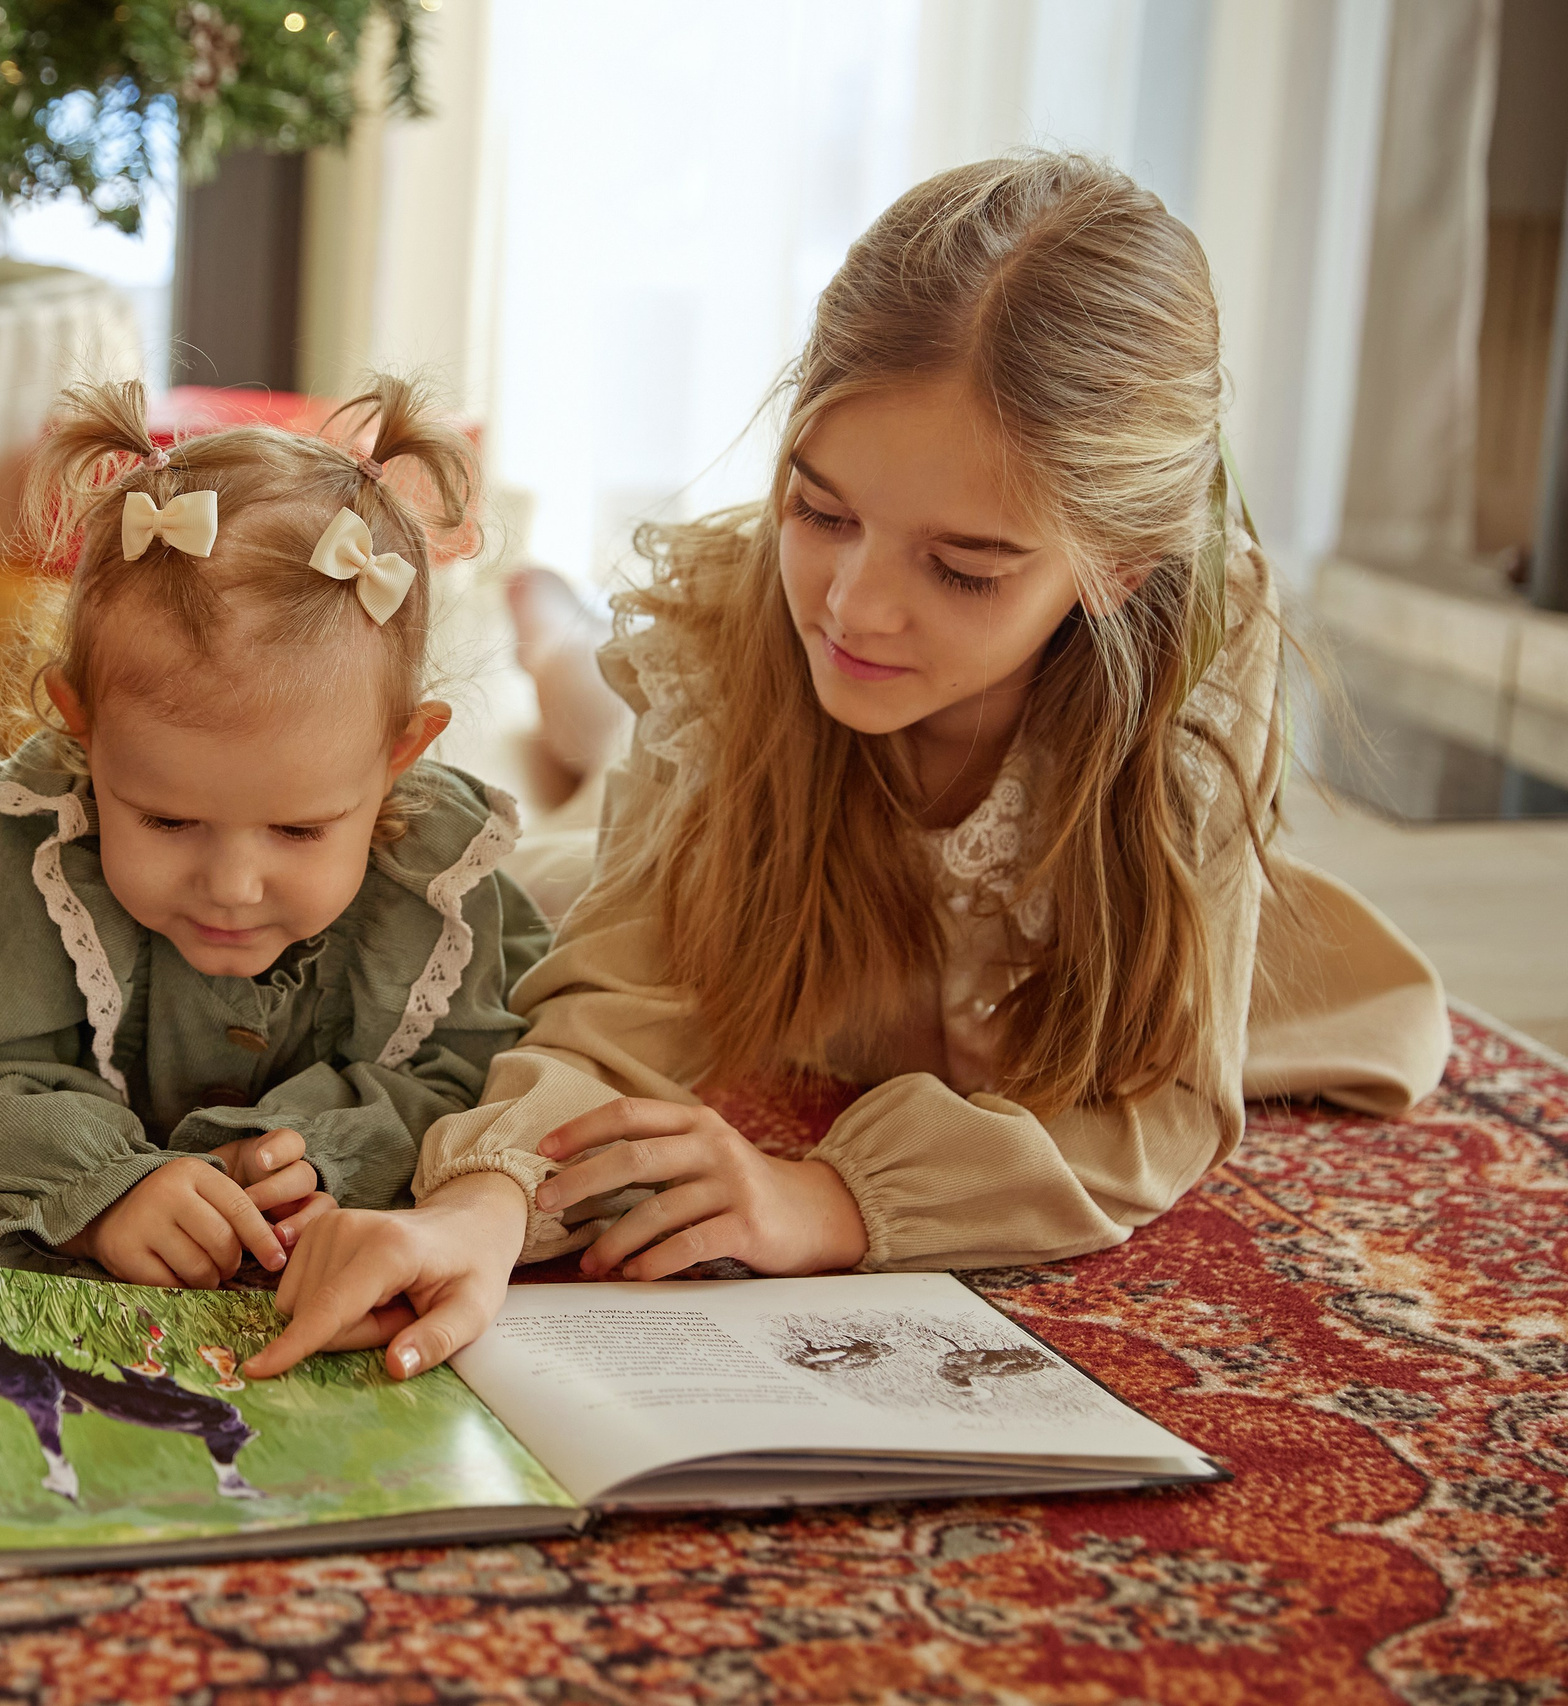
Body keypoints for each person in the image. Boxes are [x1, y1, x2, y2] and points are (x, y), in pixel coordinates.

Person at [246, 151, 1449, 1383]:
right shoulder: (734, 630)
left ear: (1120, 569)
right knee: (589, 757)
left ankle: (560, 630)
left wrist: (826, 1197)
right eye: (820, 514)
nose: (855, 606)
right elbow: (625, 985)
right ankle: (552, 622)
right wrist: (485, 1202)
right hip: (748, 862)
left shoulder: (1192, 670)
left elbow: (1151, 1108)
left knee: (595, 738)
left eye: (965, 568)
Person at [0, 378, 549, 1291]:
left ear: (401, 755)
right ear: (80, 732)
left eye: (299, 829)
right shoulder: (37, 849)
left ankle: (554, 637)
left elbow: (465, 1081)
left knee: (572, 895)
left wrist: (320, 1158)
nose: (234, 884)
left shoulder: (437, 876)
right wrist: (108, 1190)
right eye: (166, 820)